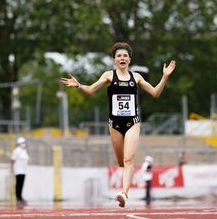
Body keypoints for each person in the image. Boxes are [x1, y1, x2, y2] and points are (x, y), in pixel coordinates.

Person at [60, 42, 176, 208]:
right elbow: (91, 90)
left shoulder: (136, 77)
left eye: (125, 56)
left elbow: (155, 93)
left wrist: (165, 76)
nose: (122, 58)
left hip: (132, 123)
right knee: (122, 162)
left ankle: (124, 194)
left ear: (129, 59)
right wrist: (78, 85)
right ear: (114, 60)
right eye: (119, 56)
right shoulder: (108, 75)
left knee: (128, 159)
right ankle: (125, 187)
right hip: (114, 124)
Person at [10, 136, 29, 204]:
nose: (24, 144)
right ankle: (18, 197)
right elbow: (12, 160)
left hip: (23, 171)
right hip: (18, 170)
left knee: (21, 184)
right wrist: (12, 169)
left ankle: (20, 197)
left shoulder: (24, 151)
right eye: (23, 142)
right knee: (18, 184)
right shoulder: (16, 150)